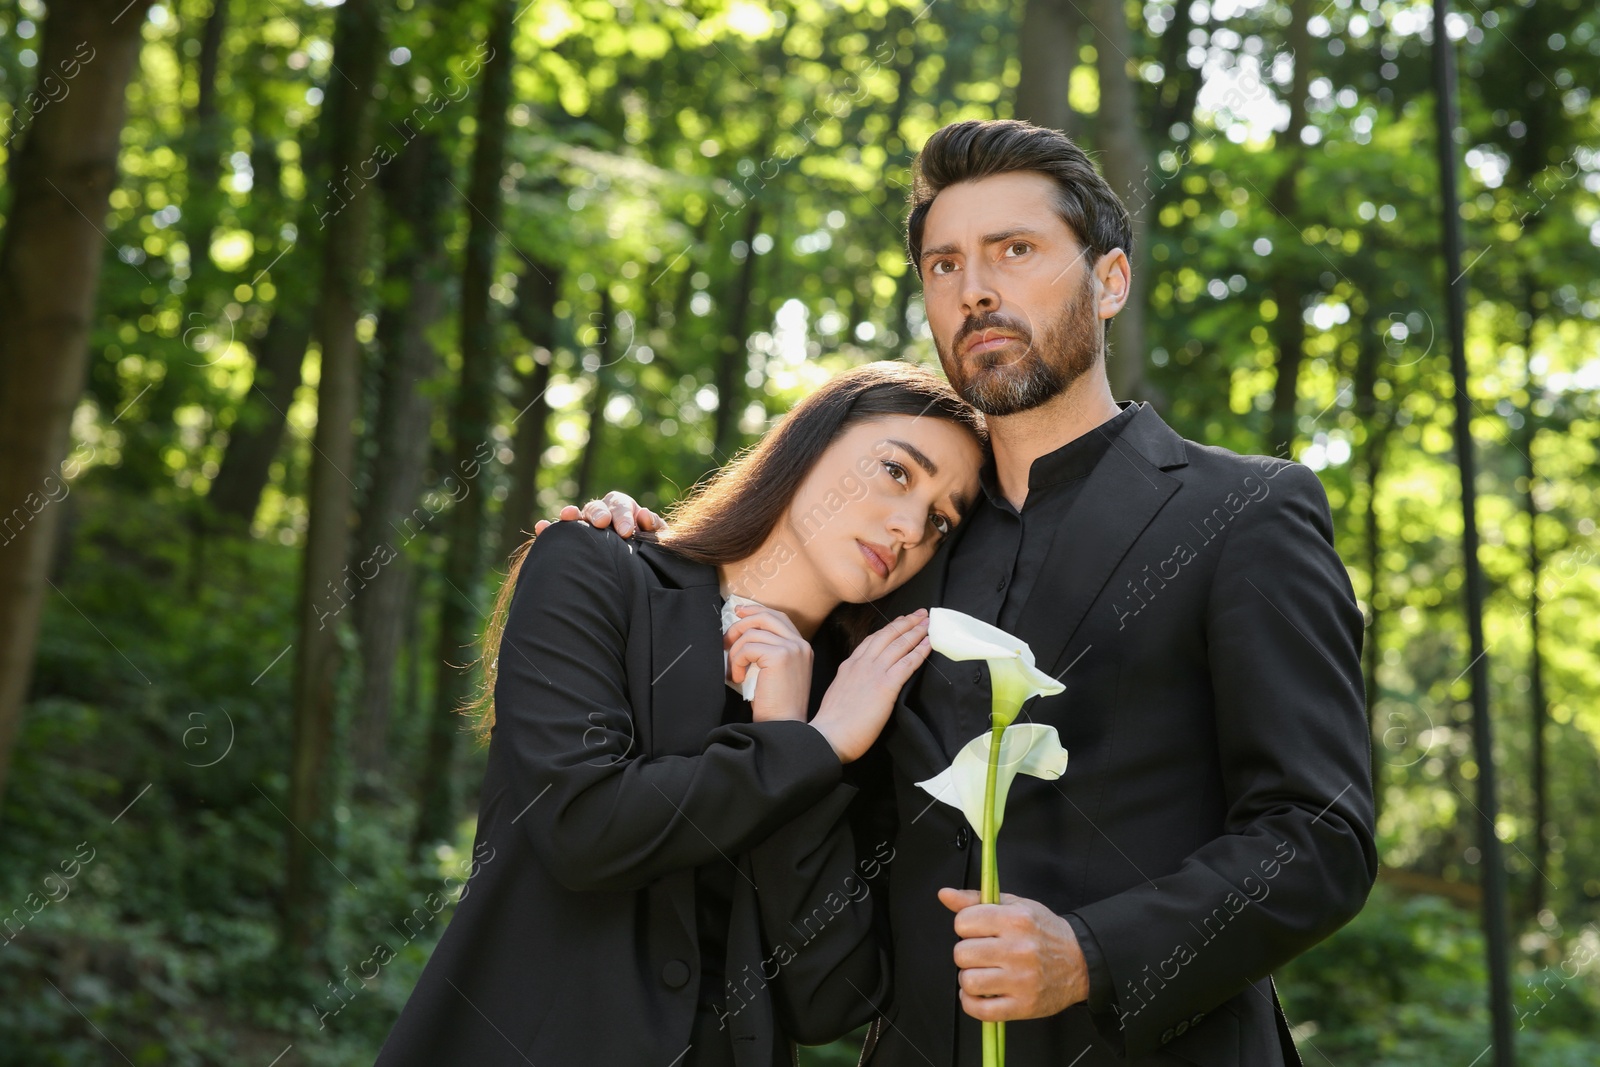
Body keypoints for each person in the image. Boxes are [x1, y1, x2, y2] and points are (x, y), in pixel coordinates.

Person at [555, 119, 1377, 1066]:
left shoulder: (1244, 511)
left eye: (1014, 251)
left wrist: (1091, 956)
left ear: (1109, 281)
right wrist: (643, 555)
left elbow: (1318, 837)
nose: (975, 288)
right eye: (944, 266)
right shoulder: (893, 560)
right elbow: (803, 844)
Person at [374, 361, 986, 1067]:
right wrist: (800, 750)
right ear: (813, 440)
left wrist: (809, 741)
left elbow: (830, 1000)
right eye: (898, 471)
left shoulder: (862, 706)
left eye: (942, 519)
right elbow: (583, 827)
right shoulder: (595, 569)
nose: (911, 525)